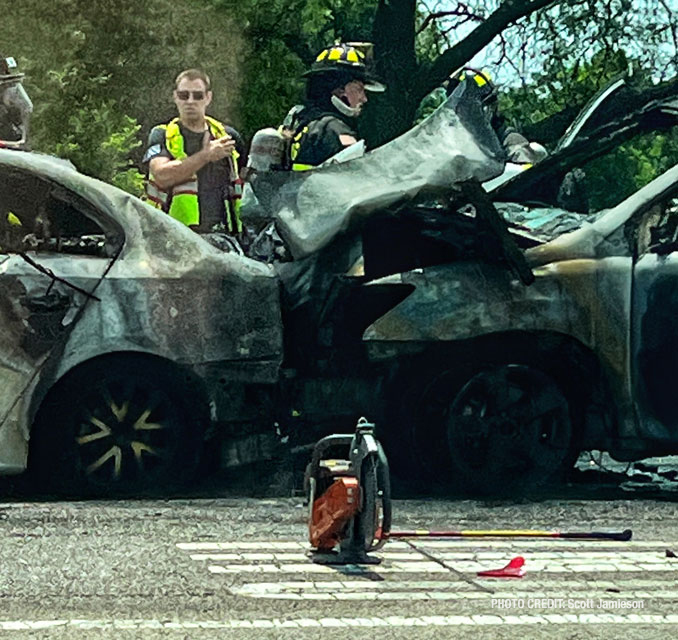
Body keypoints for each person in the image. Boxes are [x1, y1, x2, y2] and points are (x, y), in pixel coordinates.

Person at [143, 68, 245, 236]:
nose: (190, 101)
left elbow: (243, 182)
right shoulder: (162, 134)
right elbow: (162, 176)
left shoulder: (228, 137)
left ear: (208, 98)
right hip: (174, 236)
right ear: (175, 97)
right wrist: (206, 155)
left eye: (197, 96)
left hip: (224, 237)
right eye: (184, 95)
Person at [288, 43, 385, 171]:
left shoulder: (299, 121)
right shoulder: (334, 129)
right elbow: (358, 179)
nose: (364, 98)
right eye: (359, 89)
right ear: (339, 90)